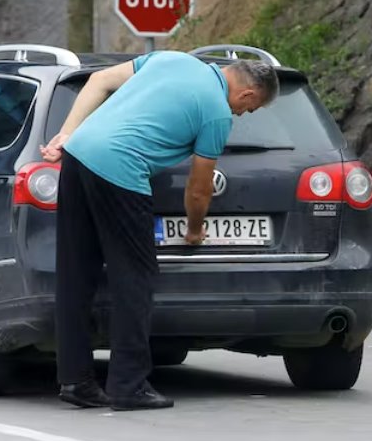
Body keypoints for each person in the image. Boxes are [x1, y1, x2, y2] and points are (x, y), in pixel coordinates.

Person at [40, 50, 279, 411]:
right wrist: (195, 231)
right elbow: (199, 189)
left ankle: (76, 381)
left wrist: (65, 135)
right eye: (250, 108)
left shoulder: (171, 58)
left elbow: (98, 81)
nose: (242, 114)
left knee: (77, 274)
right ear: (247, 94)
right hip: (119, 169)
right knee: (135, 277)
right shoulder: (216, 112)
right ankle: (128, 385)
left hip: (77, 156)